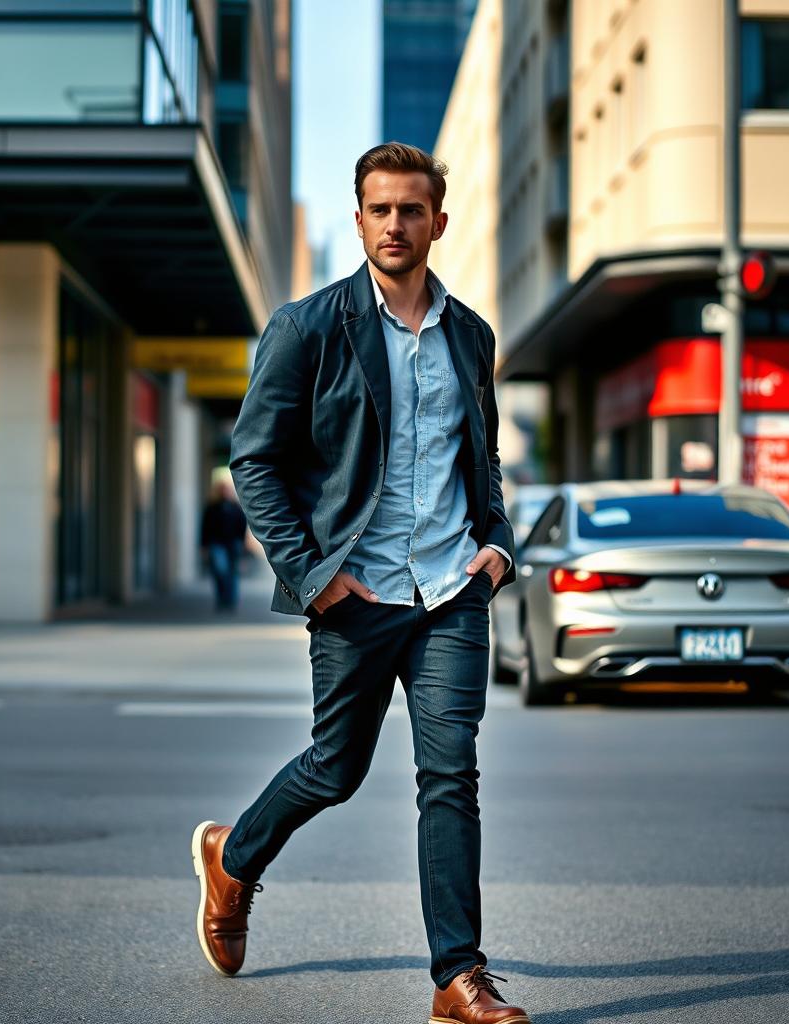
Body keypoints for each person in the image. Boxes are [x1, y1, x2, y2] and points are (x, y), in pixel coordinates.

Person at [191, 143, 530, 1024]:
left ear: (437, 222)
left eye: (411, 209)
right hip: (357, 593)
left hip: (451, 592)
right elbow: (253, 461)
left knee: (449, 773)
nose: (395, 224)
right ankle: (233, 859)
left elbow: (481, 456)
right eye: (380, 209)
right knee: (336, 768)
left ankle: (457, 975)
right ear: (359, 220)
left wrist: (496, 542)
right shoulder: (309, 327)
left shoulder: (471, 335)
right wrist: (312, 573)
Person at [200, 478, 248, 611]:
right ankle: (221, 598)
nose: (224, 492)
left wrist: (243, 543)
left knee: (232, 573)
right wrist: (203, 545)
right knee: (220, 571)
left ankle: (230, 601)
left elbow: (242, 525)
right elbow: (205, 527)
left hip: (234, 543)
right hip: (217, 543)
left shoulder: (235, 507)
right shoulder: (211, 507)